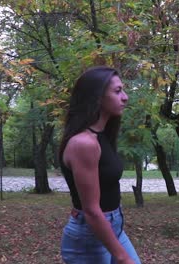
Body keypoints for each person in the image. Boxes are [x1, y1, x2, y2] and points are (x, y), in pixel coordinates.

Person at [59, 66, 141, 264]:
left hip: (112, 229)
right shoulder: (84, 143)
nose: (125, 97)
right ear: (97, 97)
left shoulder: (102, 136)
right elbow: (92, 211)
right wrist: (122, 258)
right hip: (89, 238)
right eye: (117, 91)